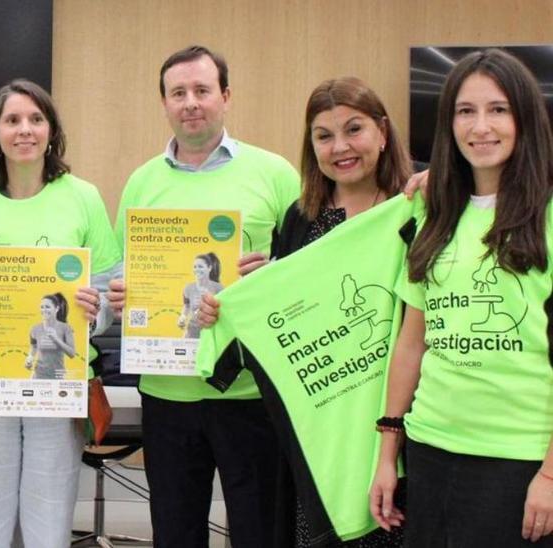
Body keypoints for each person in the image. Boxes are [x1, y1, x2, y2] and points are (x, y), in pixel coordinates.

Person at [200, 76, 410, 547]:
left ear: (382, 131)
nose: (340, 147)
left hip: (401, 422)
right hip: (323, 427)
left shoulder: (416, 205)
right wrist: (239, 303)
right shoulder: (301, 217)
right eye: (324, 136)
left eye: (353, 129)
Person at [106, 45, 300, 547]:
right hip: (167, 393)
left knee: (260, 531)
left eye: (202, 90)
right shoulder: (141, 183)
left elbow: (306, 272)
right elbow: (122, 273)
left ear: (226, 96)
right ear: (165, 103)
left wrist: (274, 271)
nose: (190, 102)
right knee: (175, 532)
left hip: (250, 392)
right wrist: (123, 294)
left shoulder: (275, 174)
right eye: (178, 93)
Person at [369, 48, 553, 547]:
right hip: (431, 447)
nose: (481, 127)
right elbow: (412, 342)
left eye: (498, 110)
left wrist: (551, 475)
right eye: (465, 111)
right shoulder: (435, 211)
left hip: (519, 457)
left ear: (525, 118)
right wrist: (388, 453)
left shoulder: (548, 213)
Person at [0, 79, 120, 547]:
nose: (25, 130)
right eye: (12, 120)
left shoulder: (84, 197)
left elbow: (111, 297)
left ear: (52, 131)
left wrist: (97, 314)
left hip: (58, 387)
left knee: (48, 526)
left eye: (36, 119)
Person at [26, 292, 76, 379]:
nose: (44, 310)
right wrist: (29, 360)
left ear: (57, 308)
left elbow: (72, 354)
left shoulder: (66, 328)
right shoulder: (35, 328)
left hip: (57, 377)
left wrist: (56, 339)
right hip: (38, 376)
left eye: (47, 307)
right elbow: (34, 346)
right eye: (42, 307)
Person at [178, 252, 222, 338]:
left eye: (200, 266)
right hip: (192, 331)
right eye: (195, 267)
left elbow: (224, 310)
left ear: (209, 268)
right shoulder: (188, 288)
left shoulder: (218, 288)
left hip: (212, 333)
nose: (197, 269)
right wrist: (182, 317)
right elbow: (186, 305)